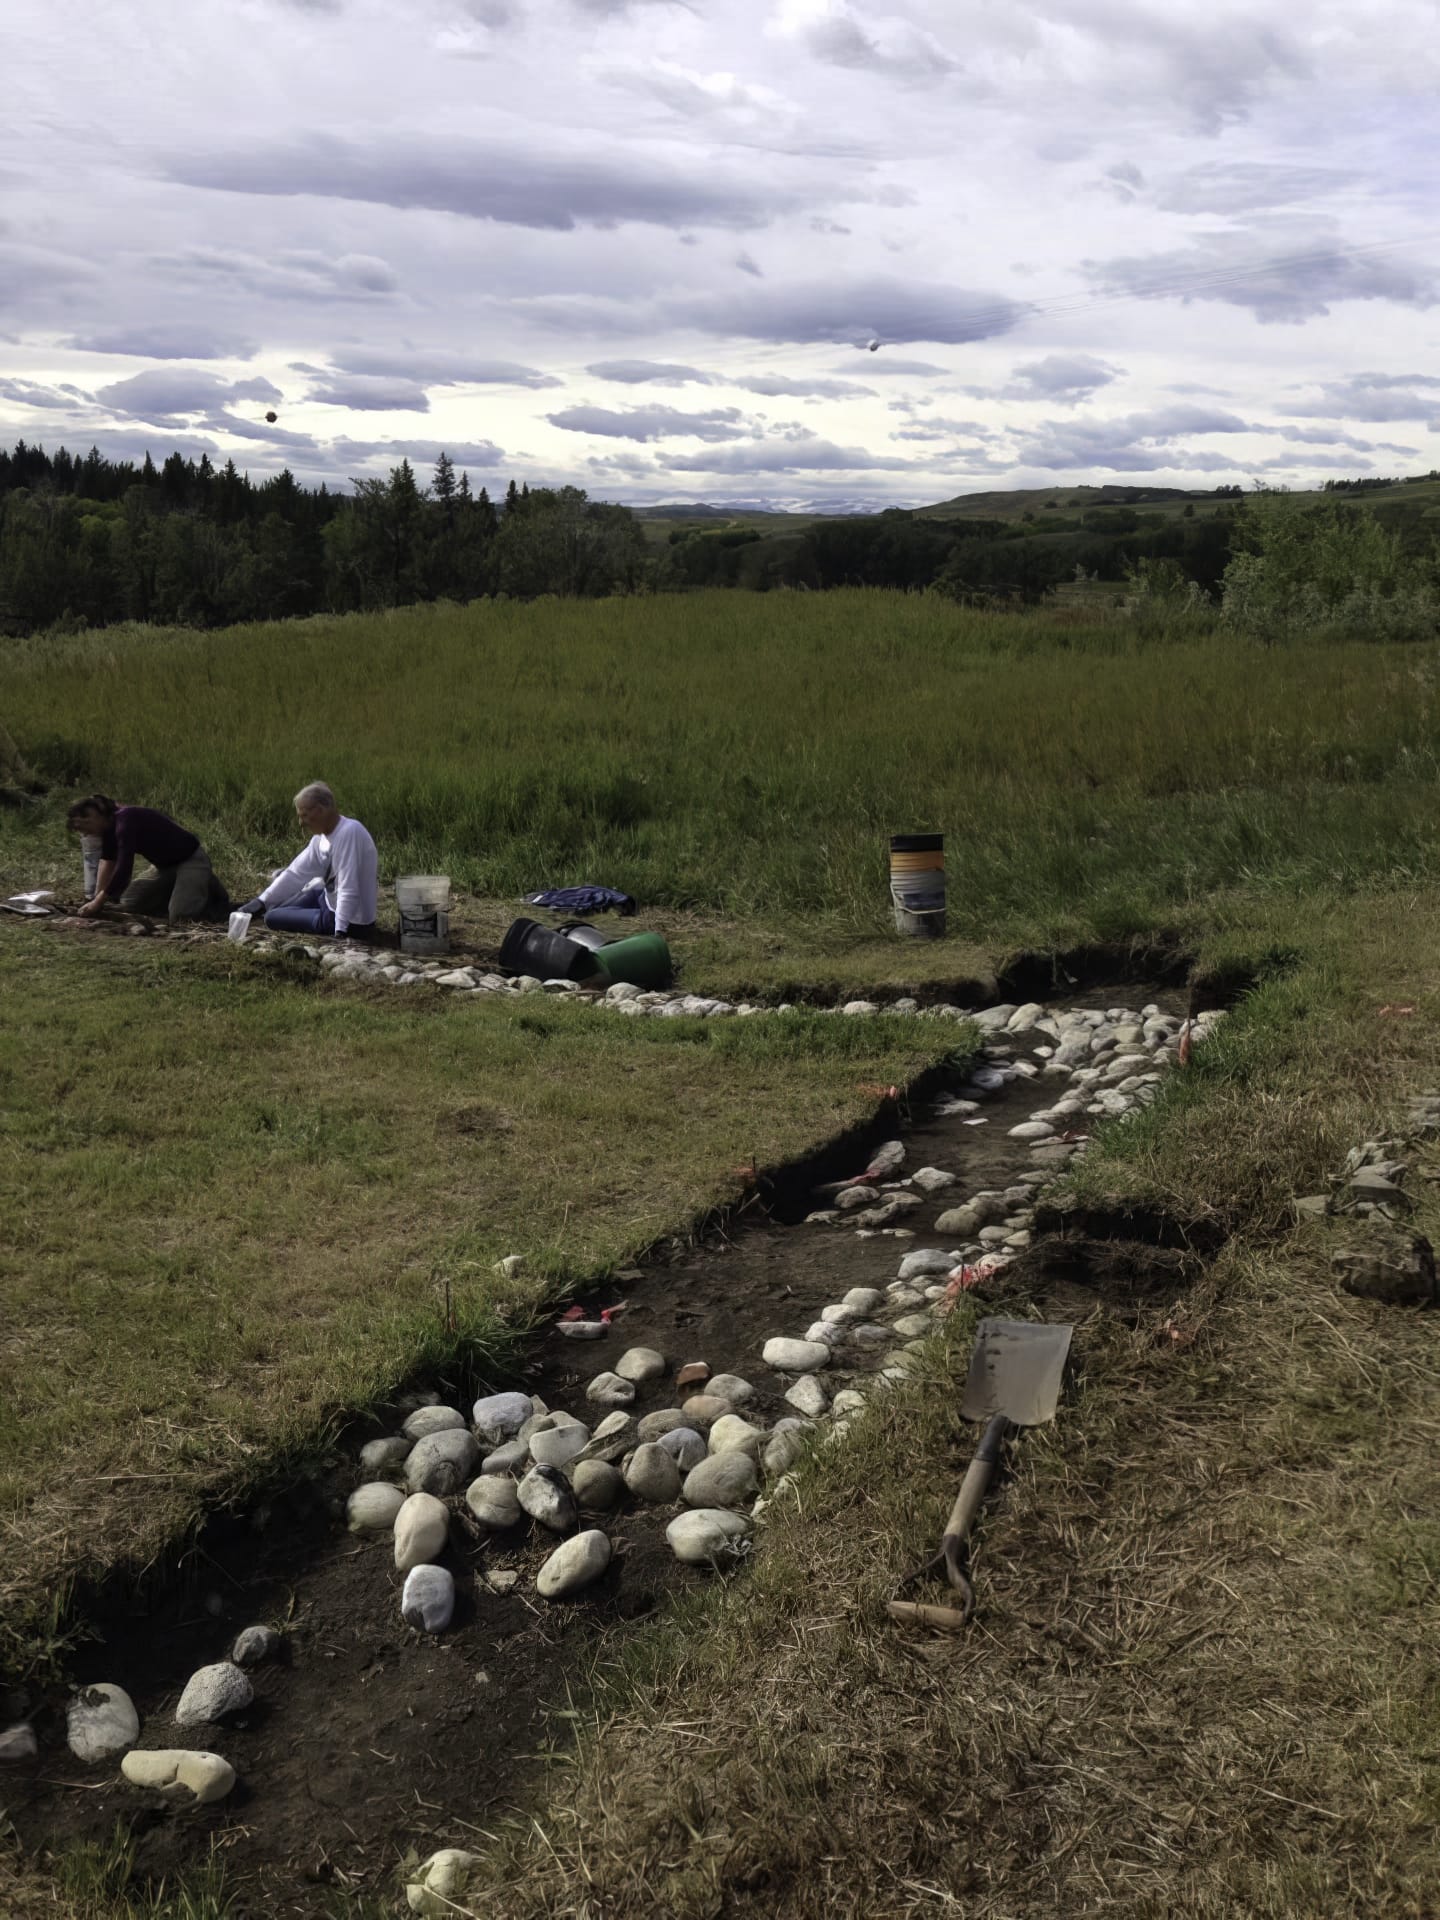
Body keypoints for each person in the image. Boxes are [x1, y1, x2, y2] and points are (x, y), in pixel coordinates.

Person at [238, 781, 378, 940]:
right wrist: (260, 902)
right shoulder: (320, 839)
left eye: (304, 815)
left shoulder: (349, 832)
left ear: (321, 810)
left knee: (272, 918)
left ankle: (321, 921)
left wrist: (340, 932)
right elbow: (295, 874)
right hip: (327, 901)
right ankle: (268, 908)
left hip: (352, 922)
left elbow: (348, 888)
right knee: (280, 907)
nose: (301, 823)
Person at [66, 794, 226, 922]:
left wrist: (98, 902)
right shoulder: (108, 830)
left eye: (84, 826)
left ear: (94, 816)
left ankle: (208, 889)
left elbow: (124, 867)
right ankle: (182, 890)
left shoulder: (125, 821)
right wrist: (95, 898)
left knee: (180, 916)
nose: (85, 833)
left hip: (190, 859)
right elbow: (108, 862)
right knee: (130, 902)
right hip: (164, 867)